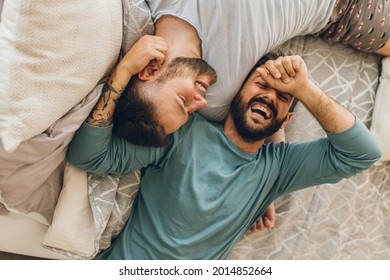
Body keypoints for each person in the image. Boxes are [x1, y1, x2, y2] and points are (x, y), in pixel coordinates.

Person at [67, 53, 382, 259]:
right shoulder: (185, 131)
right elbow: (88, 156)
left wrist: (305, 88)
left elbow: (363, 154)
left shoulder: (280, 166)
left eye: (284, 97)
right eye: (261, 84)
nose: (270, 96)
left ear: (285, 121)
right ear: (237, 95)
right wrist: (122, 73)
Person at [89, 0, 390, 147]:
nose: (199, 104)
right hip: (348, 9)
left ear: (150, 69)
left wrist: (124, 69)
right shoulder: (220, 100)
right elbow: (88, 154)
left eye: (184, 101)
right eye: (191, 111)